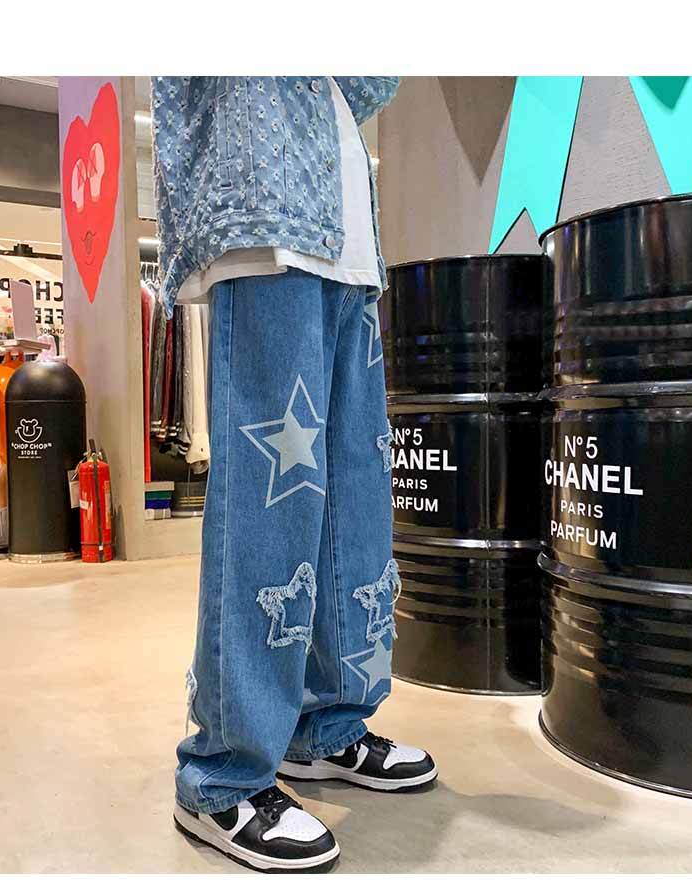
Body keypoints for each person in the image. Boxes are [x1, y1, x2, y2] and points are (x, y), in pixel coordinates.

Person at [151, 76, 437, 873]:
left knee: (356, 498)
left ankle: (328, 724)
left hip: (346, 229)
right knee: (268, 508)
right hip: (265, 208)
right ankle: (223, 771)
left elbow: (373, 80)